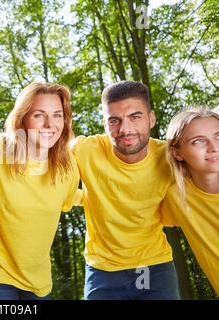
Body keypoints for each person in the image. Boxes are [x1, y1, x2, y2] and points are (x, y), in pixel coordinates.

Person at [0, 82, 81, 300]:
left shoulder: (67, 166)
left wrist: (110, 198)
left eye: (57, 115)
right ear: (22, 119)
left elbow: (69, 199)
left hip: (37, 281)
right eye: (39, 115)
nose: (50, 124)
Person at [72, 80, 179, 300]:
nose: (124, 129)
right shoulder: (85, 150)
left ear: (151, 119)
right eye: (114, 120)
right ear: (105, 124)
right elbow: (37, 156)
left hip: (151, 266)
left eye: (135, 117)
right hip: (102, 270)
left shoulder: (171, 157)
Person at [161, 107, 219, 294]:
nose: (214, 147)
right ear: (177, 153)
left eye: (218, 136)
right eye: (198, 141)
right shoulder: (176, 197)